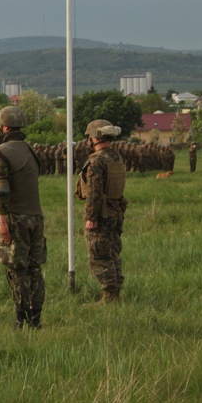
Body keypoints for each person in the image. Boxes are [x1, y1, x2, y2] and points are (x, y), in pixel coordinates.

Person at [0, 106, 46, 329]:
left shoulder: (2, 151)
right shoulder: (29, 149)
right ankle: (36, 320)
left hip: (16, 216)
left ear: (4, 126)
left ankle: (20, 319)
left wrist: (3, 219)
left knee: (17, 269)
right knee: (35, 269)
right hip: (36, 216)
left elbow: (2, 189)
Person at [76, 119, 128, 304]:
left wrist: (91, 217)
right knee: (113, 254)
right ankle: (115, 293)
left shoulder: (97, 161)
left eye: (89, 136)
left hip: (102, 215)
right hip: (116, 212)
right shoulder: (116, 157)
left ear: (96, 137)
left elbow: (94, 192)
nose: (88, 140)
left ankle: (109, 297)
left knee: (99, 255)